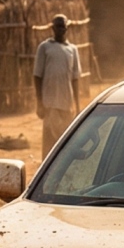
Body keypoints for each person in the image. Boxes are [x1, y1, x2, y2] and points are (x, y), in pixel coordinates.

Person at [33, 14, 83, 155]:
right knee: (49, 142)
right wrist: (39, 102)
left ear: (67, 28)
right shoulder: (45, 47)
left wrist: (77, 106)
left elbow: (75, 78)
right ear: (53, 28)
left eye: (63, 26)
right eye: (58, 26)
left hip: (66, 104)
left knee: (65, 141)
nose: (61, 29)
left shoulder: (72, 49)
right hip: (50, 104)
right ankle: (46, 170)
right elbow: (37, 75)